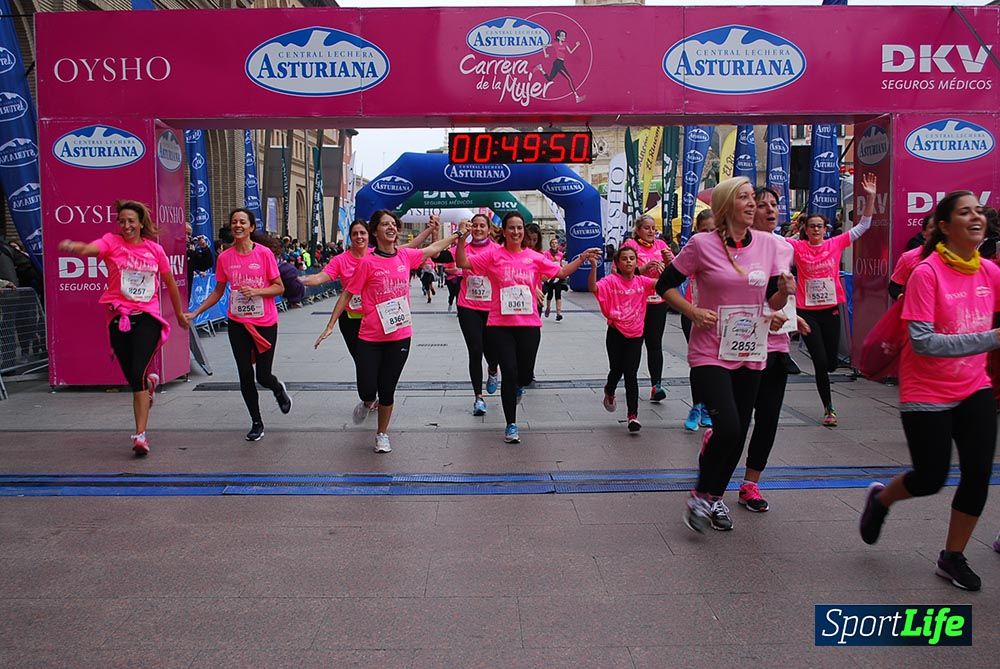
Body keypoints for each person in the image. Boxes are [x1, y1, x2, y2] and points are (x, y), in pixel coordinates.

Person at [859, 191, 1000, 591]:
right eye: (964, 212)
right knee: (930, 477)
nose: (976, 217)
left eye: (979, 212)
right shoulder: (927, 272)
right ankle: (882, 499)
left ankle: (952, 556)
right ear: (943, 226)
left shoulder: (990, 272)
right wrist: (990, 339)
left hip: (975, 387)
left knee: (978, 474)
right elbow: (923, 342)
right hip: (926, 391)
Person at [655, 177, 795, 533]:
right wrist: (692, 311)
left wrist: (779, 301)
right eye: (745, 198)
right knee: (729, 426)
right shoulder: (701, 245)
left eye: (755, 198)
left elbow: (768, 302)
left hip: (751, 350)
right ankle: (701, 495)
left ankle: (712, 497)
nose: (754, 204)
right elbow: (665, 285)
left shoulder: (767, 244)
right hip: (709, 351)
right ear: (726, 205)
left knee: (736, 431)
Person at [314, 211, 460, 453]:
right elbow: (348, 293)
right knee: (367, 388)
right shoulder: (367, 263)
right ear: (375, 231)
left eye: (393, 224)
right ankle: (367, 401)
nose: (391, 228)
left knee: (388, 388)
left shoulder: (404, 255)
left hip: (399, 335)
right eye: (385, 224)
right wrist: (330, 325)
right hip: (370, 336)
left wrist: (458, 234)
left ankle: (382, 434)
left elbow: (432, 248)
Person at [457, 212, 601, 444]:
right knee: (510, 373)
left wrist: (582, 257)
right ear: (503, 231)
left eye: (519, 228)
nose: (516, 232)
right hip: (500, 325)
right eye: (511, 228)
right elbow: (463, 263)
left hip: (529, 325)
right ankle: (511, 424)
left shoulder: (534, 257)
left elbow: (561, 272)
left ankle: (519, 387)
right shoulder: (493, 255)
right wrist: (461, 240)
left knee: (524, 375)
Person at [58, 200, 188, 456]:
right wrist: (76, 247)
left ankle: (140, 435)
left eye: (131, 221)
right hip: (120, 317)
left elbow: (170, 283)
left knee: (138, 373)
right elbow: (92, 248)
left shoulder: (155, 250)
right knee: (132, 375)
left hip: (147, 317)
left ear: (141, 223)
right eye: (122, 221)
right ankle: (149, 386)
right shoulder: (112, 243)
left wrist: (179, 314)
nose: (126, 225)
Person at [184, 208, 292, 442]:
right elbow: (218, 291)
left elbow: (279, 287)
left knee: (263, 375)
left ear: (251, 227)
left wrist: (256, 291)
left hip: (265, 322)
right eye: (234, 222)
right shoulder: (224, 257)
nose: (238, 225)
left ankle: (277, 388)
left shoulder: (263, 254)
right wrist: (196, 312)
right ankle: (256, 422)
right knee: (245, 374)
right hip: (238, 323)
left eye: (243, 221)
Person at [739, 186, 812, 513]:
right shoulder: (735, 246)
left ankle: (750, 484)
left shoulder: (784, 247)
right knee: (736, 423)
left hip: (777, 346)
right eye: (762, 205)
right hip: (742, 346)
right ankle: (713, 483)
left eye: (774, 205)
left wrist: (794, 317)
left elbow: (778, 296)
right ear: (748, 210)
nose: (770, 210)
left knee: (767, 418)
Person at [790, 174, 877, 426]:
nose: (816, 230)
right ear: (805, 230)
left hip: (830, 310)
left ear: (826, 229)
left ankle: (828, 377)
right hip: (807, 311)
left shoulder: (835, 244)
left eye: (820, 226)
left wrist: (870, 197)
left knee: (829, 363)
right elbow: (770, 239)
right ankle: (829, 409)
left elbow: (863, 227)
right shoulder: (797, 248)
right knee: (818, 361)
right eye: (811, 226)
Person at [301, 218, 438, 360]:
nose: (359, 237)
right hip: (352, 320)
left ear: (369, 235)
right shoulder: (340, 260)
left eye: (362, 233)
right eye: (355, 234)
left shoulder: (378, 254)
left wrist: (430, 229)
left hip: (378, 318)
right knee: (362, 362)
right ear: (350, 237)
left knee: (382, 362)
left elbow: (412, 245)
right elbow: (318, 278)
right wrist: (294, 279)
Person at [589, 245, 657, 433]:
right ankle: (609, 390)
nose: (628, 261)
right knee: (616, 369)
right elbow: (593, 287)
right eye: (624, 258)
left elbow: (662, 285)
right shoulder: (611, 281)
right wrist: (594, 267)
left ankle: (632, 416)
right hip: (616, 332)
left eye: (632, 258)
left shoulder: (642, 282)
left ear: (637, 262)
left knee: (631, 373)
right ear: (617, 263)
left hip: (636, 334)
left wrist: (667, 263)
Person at [622, 214, 675, 404]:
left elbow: (674, 274)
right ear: (638, 230)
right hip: (636, 304)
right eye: (647, 228)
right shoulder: (631, 245)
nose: (651, 231)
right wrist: (644, 268)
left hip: (658, 302)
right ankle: (630, 383)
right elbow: (623, 273)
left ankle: (656, 386)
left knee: (655, 344)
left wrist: (670, 262)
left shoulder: (661, 246)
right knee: (634, 345)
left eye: (653, 228)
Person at [456, 214, 501, 416]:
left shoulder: (498, 250)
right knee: (475, 351)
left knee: (492, 351)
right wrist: (459, 238)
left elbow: (513, 268)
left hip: (492, 307)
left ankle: (493, 369)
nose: (478, 228)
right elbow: (445, 257)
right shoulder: (463, 247)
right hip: (468, 306)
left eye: (482, 225)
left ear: (489, 229)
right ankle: (478, 398)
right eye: (474, 225)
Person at [681, 209, 716, 431]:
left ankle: (709, 407)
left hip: (719, 316)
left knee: (716, 364)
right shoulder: (694, 249)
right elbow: (670, 279)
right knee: (699, 363)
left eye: (714, 230)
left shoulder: (728, 250)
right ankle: (697, 406)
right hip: (693, 312)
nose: (710, 235)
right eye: (705, 231)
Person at [889, 217, 936, 301]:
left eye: (939, 227)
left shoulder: (955, 257)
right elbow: (893, 287)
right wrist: (905, 300)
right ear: (924, 233)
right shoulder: (909, 257)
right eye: (932, 227)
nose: (936, 231)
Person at [535, 29, 584, 103]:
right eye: (562, 36)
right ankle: (577, 97)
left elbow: (570, 52)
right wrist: (545, 54)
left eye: (564, 35)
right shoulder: (555, 44)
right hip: (558, 63)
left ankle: (541, 68)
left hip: (560, 63)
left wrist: (576, 46)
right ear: (558, 37)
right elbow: (544, 45)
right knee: (569, 79)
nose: (564, 37)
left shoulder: (565, 44)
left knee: (549, 79)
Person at [543, 238, 567, 321]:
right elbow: (544, 264)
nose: (554, 244)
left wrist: (563, 272)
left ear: (558, 245)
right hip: (549, 277)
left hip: (557, 276)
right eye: (552, 243)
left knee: (558, 294)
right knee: (550, 295)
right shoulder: (546, 253)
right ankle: (548, 308)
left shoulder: (560, 254)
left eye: (556, 243)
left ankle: (558, 313)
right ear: (550, 244)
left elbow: (561, 264)